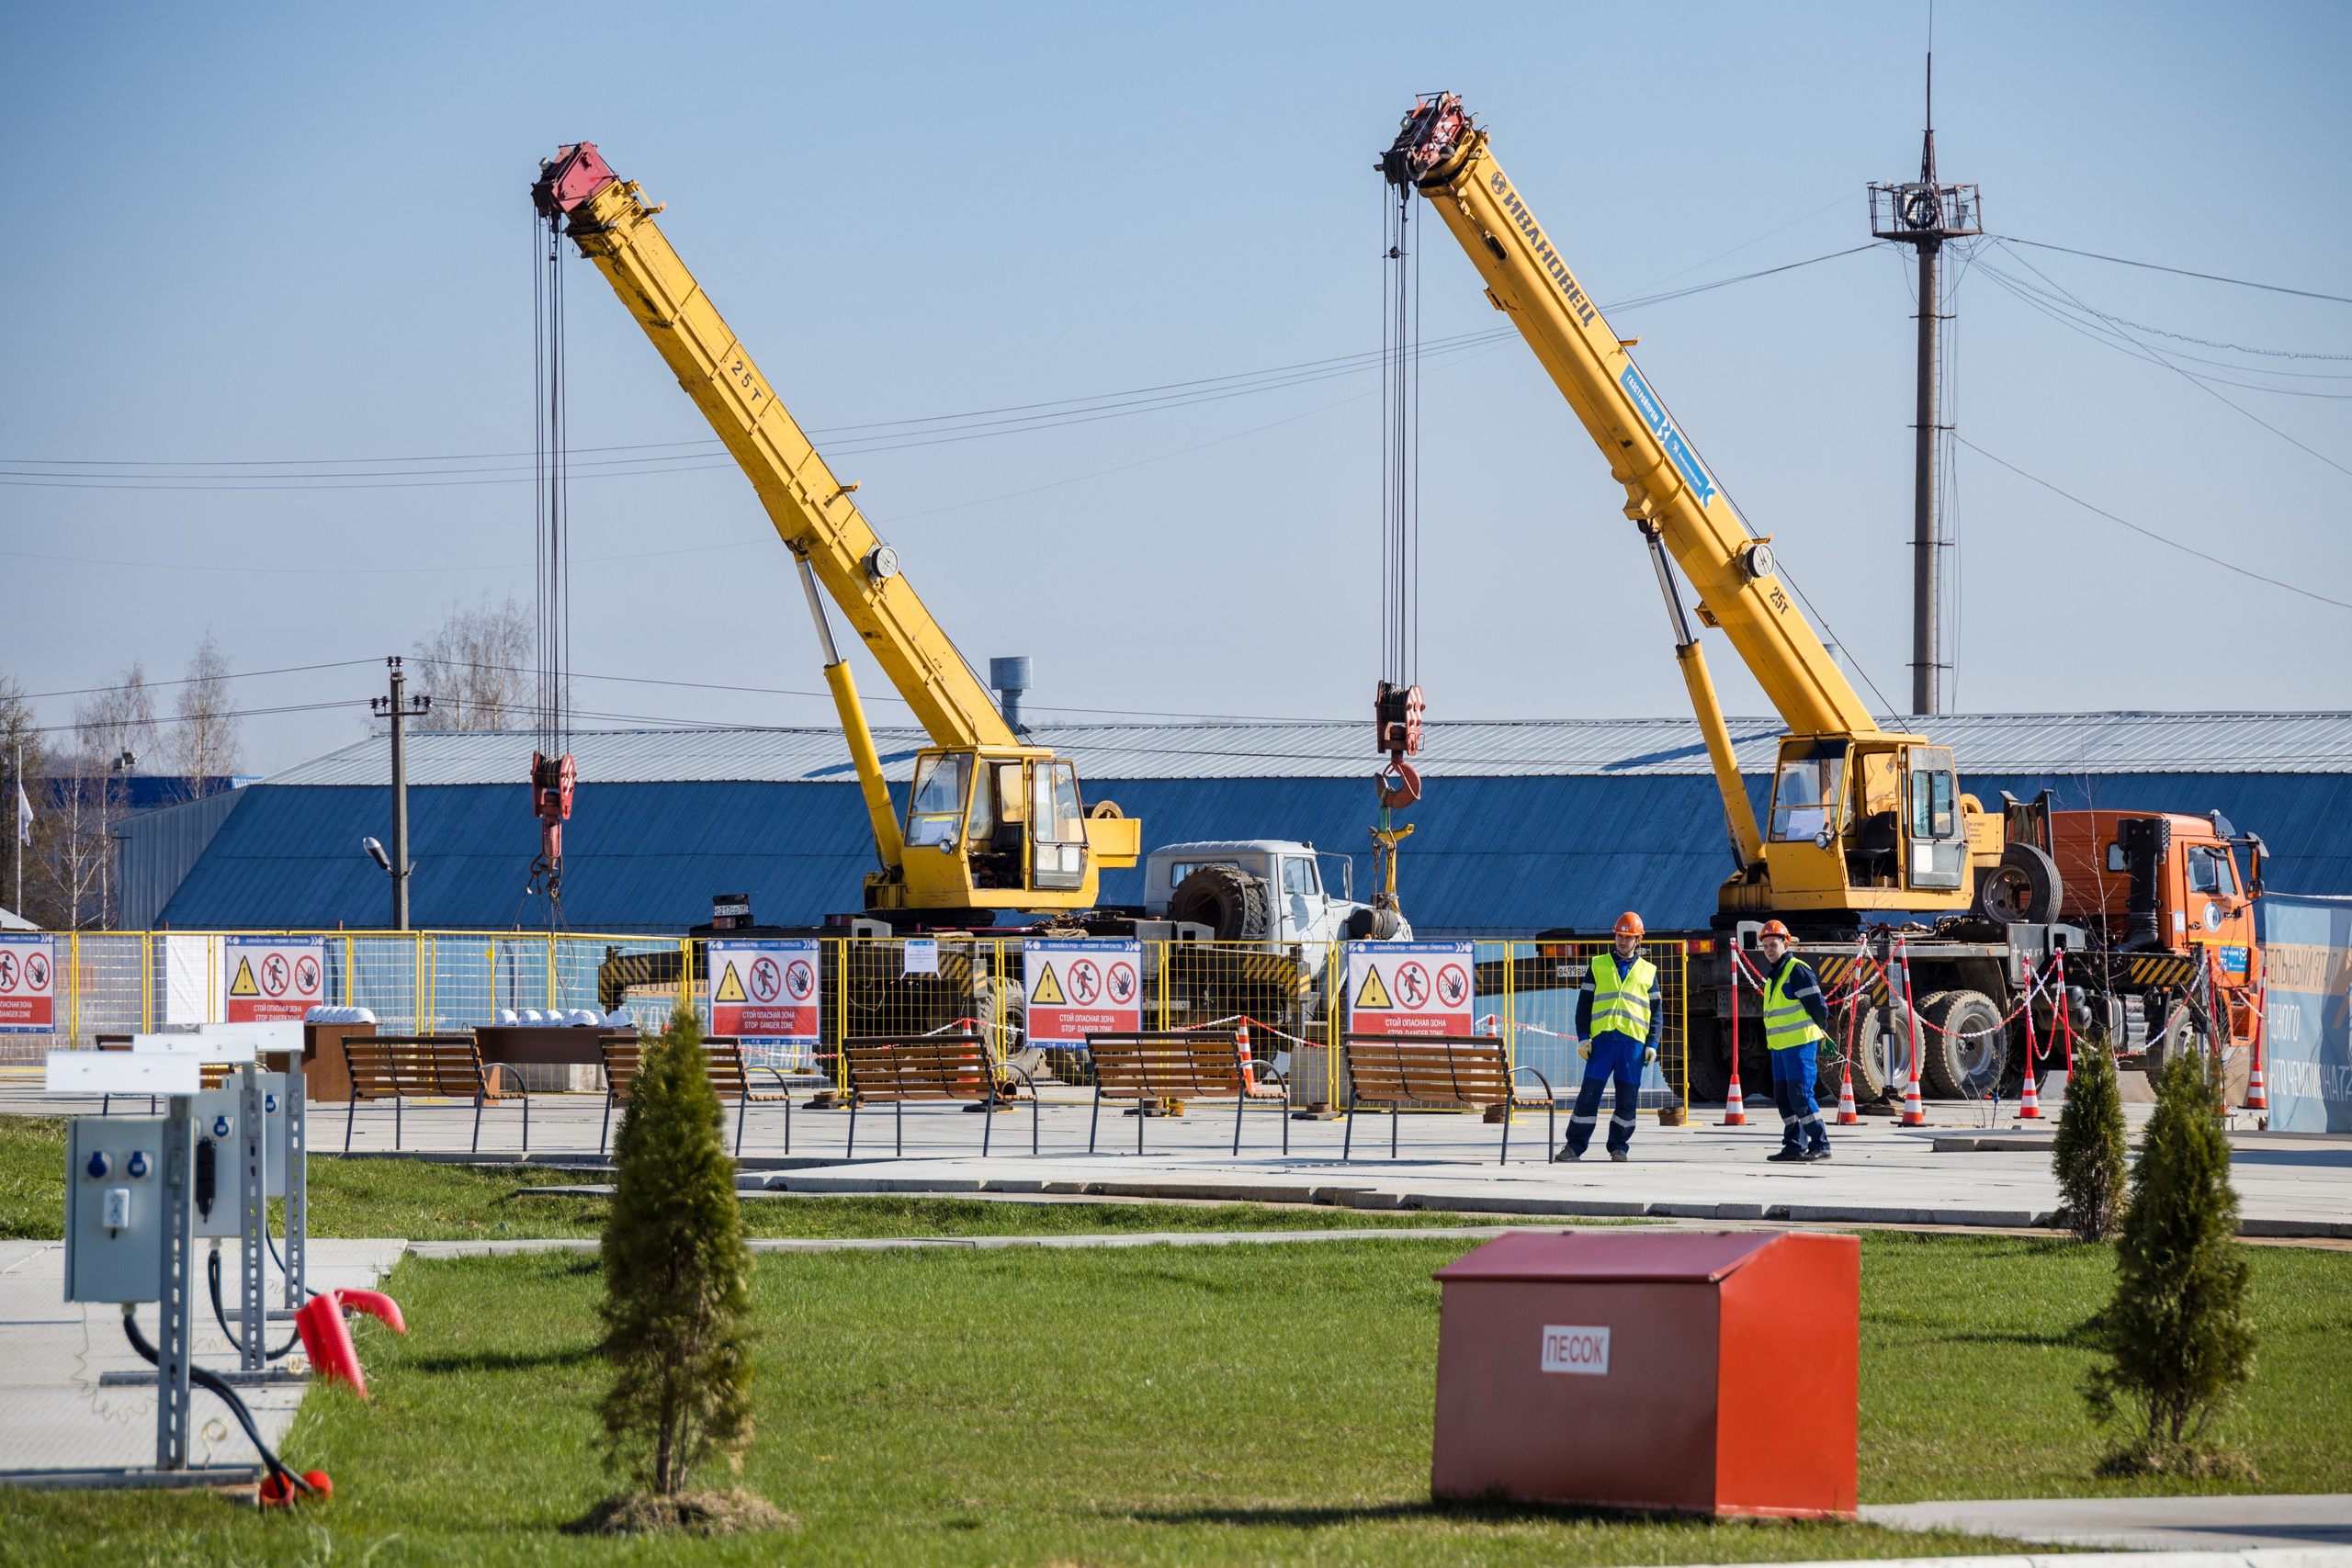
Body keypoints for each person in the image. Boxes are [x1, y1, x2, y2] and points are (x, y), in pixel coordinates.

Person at [1556, 912, 1661, 1163]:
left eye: (1627, 937)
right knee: (1588, 1096)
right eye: (1618, 935)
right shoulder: (1598, 965)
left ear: (1638, 940)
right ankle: (1574, 1146)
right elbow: (1584, 1006)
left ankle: (1619, 1147)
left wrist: (1652, 1044)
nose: (1621, 941)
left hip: (1632, 1045)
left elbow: (1656, 1013)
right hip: (1602, 1043)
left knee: (1627, 1099)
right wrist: (1583, 1037)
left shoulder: (1648, 971)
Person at [1755, 919, 1833, 1162]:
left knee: (1800, 1095)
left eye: (1773, 944)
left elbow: (1818, 1007)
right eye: (1765, 945)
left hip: (1799, 1045)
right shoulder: (1773, 976)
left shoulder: (1797, 970)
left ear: (1785, 944)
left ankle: (1820, 1143)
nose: (1769, 949)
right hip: (1780, 1048)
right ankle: (1794, 1144)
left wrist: (1822, 1029)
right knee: (1784, 1097)